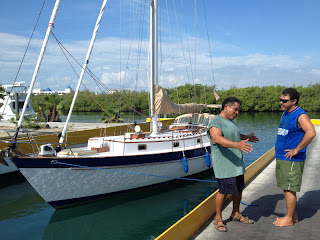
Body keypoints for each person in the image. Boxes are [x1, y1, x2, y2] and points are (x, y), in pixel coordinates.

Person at [208, 97, 259, 232]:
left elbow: (232, 134)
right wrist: (237, 145)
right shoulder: (216, 122)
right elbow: (216, 138)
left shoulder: (230, 122)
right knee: (223, 192)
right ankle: (218, 218)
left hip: (236, 164)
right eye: (235, 109)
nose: (237, 112)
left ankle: (235, 213)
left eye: (238, 110)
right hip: (225, 165)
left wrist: (246, 137)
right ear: (226, 106)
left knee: (238, 190)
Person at [273, 88, 316, 227]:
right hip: (282, 157)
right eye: (280, 100)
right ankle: (294, 216)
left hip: (291, 159)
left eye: (284, 100)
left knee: (289, 188)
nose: (281, 102)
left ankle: (289, 219)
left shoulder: (300, 115)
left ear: (294, 101)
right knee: (286, 187)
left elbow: (311, 132)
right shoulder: (286, 113)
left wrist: (297, 149)